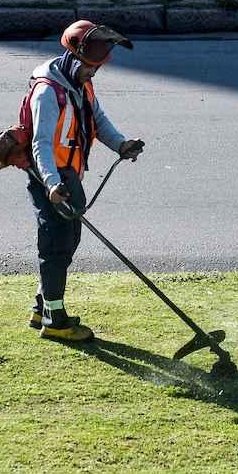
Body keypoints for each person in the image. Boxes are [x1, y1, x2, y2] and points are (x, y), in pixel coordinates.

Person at [26, 19, 146, 341]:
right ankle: (56, 323)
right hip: (49, 178)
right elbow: (39, 143)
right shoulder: (47, 93)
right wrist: (51, 184)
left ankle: (42, 306)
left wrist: (121, 144)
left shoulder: (81, 84)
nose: (94, 73)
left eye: (97, 68)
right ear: (73, 57)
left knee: (70, 239)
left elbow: (98, 120)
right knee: (55, 245)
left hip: (69, 176)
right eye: (90, 67)